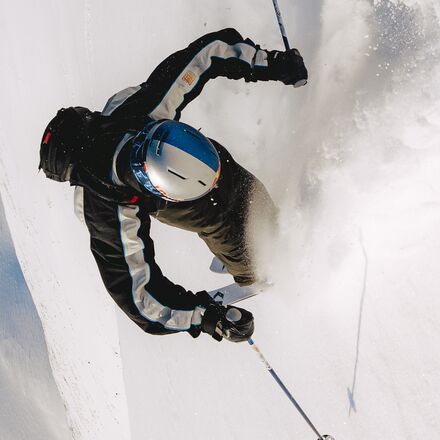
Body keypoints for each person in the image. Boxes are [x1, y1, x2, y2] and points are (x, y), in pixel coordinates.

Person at [39, 28, 308, 343]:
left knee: (259, 208)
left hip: (222, 170)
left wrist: (268, 63)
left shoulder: (138, 110)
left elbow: (203, 57)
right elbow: (140, 299)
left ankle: (270, 237)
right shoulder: (106, 211)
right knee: (256, 256)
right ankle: (259, 267)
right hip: (211, 218)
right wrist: (205, 317)